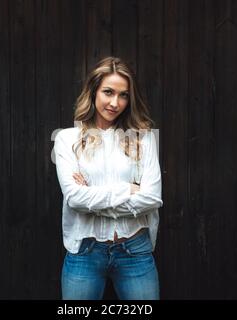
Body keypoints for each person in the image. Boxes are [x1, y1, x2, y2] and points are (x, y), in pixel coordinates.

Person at [53, 56, 163, 300]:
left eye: (123, 95)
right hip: (85, 252)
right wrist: (129, 189)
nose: (115, 102)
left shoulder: (143, 138)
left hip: (135, 251)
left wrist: (93, 198)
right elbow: (75, 198)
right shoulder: (67, 139)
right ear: (93, 91)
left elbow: (153, 198)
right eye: (108, 92)